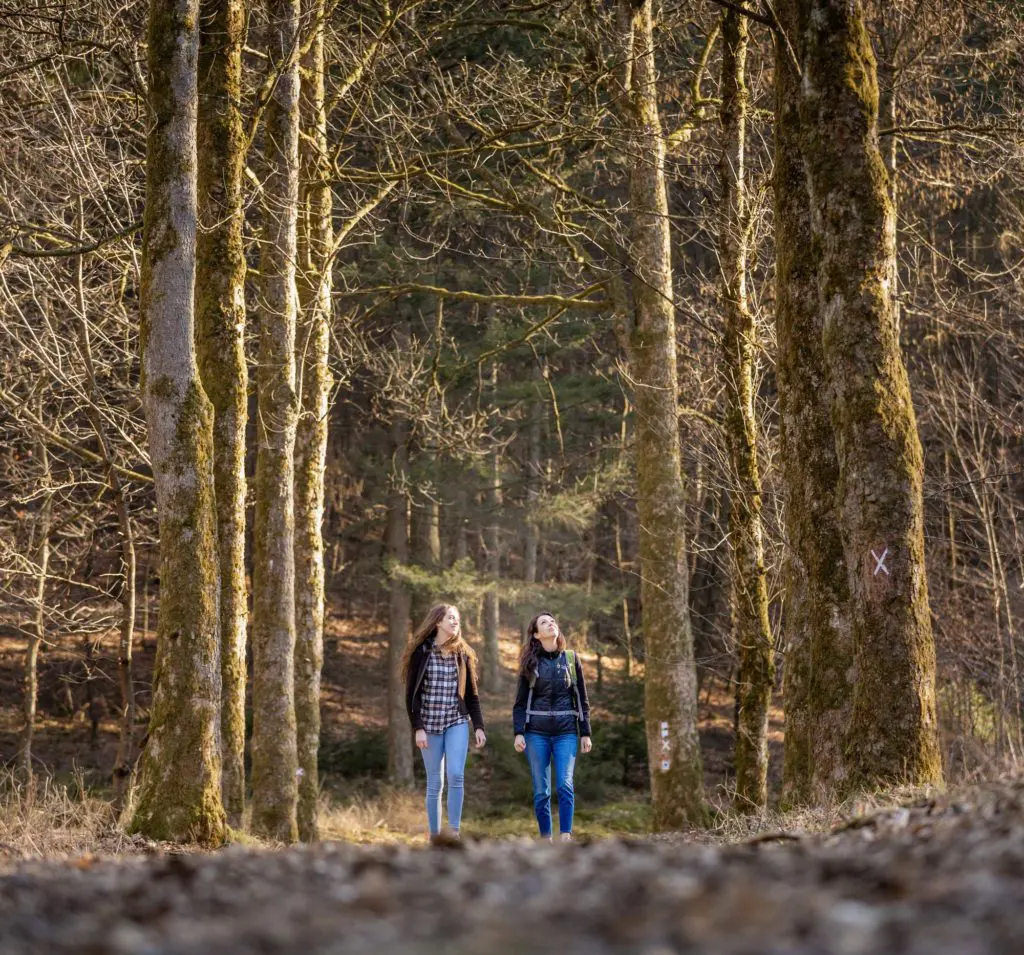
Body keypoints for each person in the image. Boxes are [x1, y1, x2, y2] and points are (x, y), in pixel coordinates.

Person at [403, 604, 486, 843]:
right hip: (429, 724)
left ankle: (455, 833)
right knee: (435, 782)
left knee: (456, 774)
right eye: (450, 617)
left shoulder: (463, 654)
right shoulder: (421, 652)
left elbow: (472, 694)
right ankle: (435, 836)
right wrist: (418, 727)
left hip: (455, 720)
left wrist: (478, 726)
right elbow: (412, 695)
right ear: (438, 621)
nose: (455, 621)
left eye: (457, 618)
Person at [512, 611, 592, 842]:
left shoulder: (571, 659)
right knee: (541, 790)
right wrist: (518, 732)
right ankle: (546, 838)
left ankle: (565, 836)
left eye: (553, 621)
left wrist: (585, 732)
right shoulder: (530, 663)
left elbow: (582, 699)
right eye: (544, 623)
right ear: (536, 634)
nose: (551, 624)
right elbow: (519, 704)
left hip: (566, 733)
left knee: (565, 784)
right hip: (536, 733)